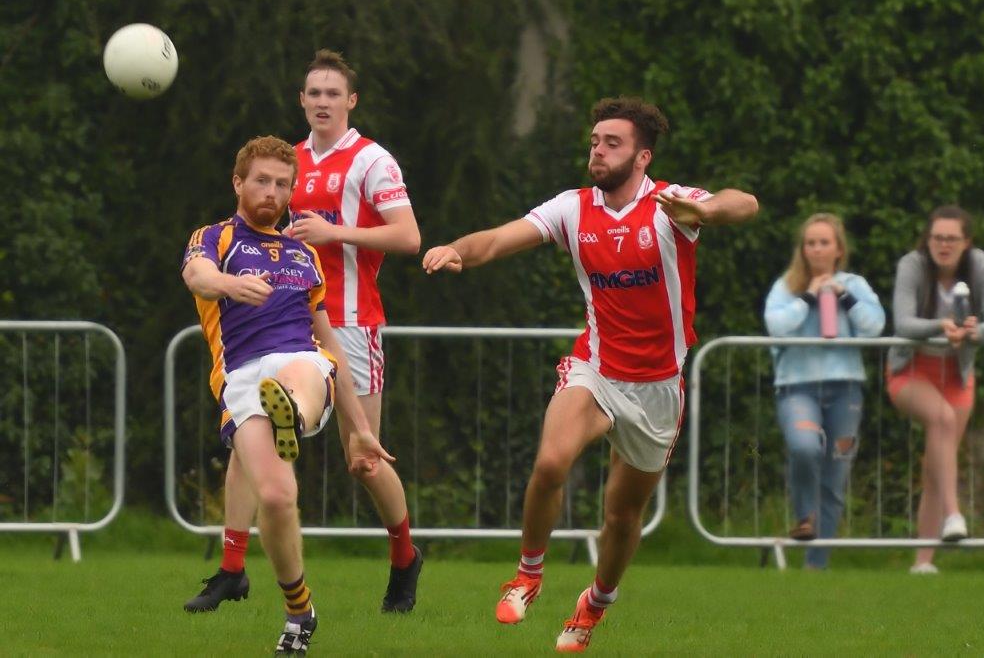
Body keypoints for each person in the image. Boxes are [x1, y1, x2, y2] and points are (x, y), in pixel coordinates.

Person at [422, 97, 758, 653]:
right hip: (596, 368)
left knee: (622, 514)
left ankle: (595, 603)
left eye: (612, 143)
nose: (597, 151)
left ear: (643, 156)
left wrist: (710, 211)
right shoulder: (573, 208)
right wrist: (456, 250)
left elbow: (742, 201)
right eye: (594, 142)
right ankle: (527, 575)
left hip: (657, 386)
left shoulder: (670, 204)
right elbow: (500, 238)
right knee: (551, 459)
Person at [184, 49, 423, 616]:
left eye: (333, 94)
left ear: (351, 101)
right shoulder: (286, 158)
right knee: (249, 441)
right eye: (313, 93)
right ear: (302, 99)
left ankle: (405, 556)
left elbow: (409, 237)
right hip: (281, 321)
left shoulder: (371, 161)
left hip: (348, 319)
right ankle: (232, 569)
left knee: (363, 457)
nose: (322, 102)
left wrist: (336, 231)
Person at [181, 135, 394, 653]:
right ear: (238, 182)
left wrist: (361, 430)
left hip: (301, 365)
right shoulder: (215, 238)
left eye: (282, 184)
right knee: (276, 498)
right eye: (261, 181)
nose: (271, 192)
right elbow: (197, 275)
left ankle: (293, 413)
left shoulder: (304, 256)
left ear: (291, 191)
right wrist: (231, 286)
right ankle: (300, 609)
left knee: (301, 370)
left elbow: (331, 346)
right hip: (242, 379)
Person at [887, 205, 984, 573]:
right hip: (911, 369)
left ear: (966, 242)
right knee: (940, 420)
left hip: (957, 372)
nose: (943, 245)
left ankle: (923, 562)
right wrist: (942, 325)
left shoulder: (982, 265)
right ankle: (954, 515)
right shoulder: (912, 264)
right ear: (928, 239)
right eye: (937, 237)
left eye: (952, 238)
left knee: (937, 467)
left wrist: (974, 332)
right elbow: (904, 322)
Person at [764, 213, 885, 568]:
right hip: (796, 386)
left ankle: (816, 565)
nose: (816, 249)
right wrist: (809, 297)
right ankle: (805, 517)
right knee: (804, 447)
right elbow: (776, 327)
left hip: (845, 388)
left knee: (835, 475)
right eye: (810, 243)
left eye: (824, 243)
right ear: (802, 249)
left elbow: (875, 326)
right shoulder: (787, 285)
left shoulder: (854, 283)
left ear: (838, 249)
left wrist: (843, 296)